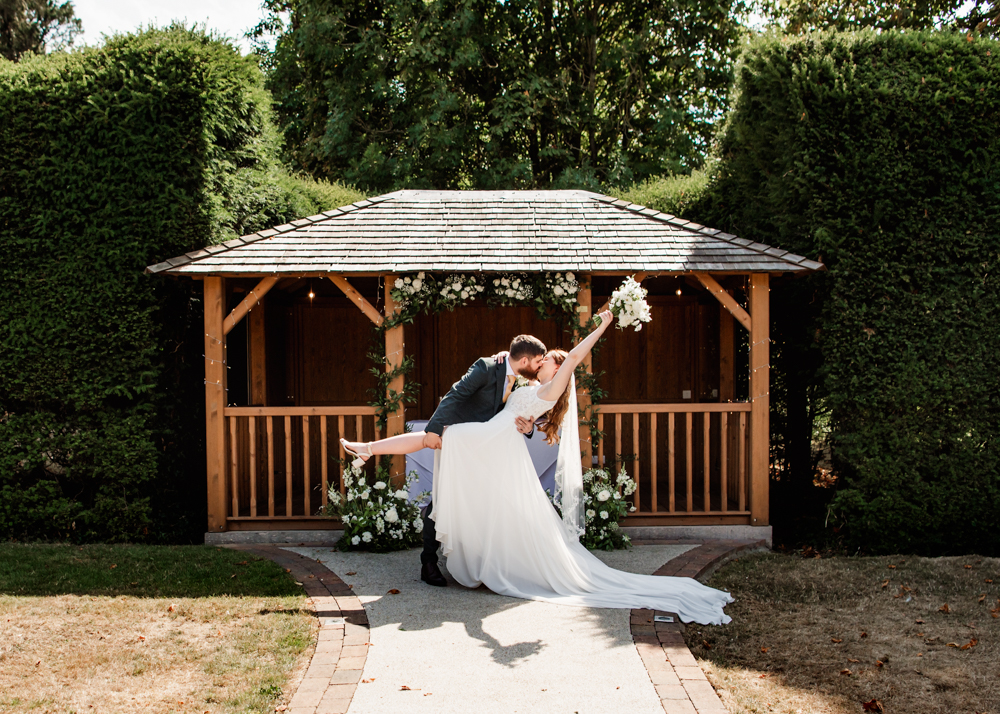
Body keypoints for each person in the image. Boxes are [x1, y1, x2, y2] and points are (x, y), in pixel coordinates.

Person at [344, 312, 734, 625]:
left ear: (557, 368)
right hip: (492, 438)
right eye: (542, 357)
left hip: (493, 442)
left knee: (440, 438)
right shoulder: (527, 385)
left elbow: (575, 358)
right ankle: (367, 449)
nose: (544, 360)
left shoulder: (552, 386)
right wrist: (520, 402)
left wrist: (602, 325)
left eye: (549, 359)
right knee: (441, 440)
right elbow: (511, 379)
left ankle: (368, 449)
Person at [341, 334, 548, 587]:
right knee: (442, 499)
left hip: (484, 448)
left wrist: (528, 429)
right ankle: (428, 562)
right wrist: (433, 429)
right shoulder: (487, 366)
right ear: (524, 359)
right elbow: (455, 394)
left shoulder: (517, 380)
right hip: (460, 442)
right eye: (538, 361)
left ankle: (478, 562)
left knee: (476, 502)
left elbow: (513, 415)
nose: (539, 366)